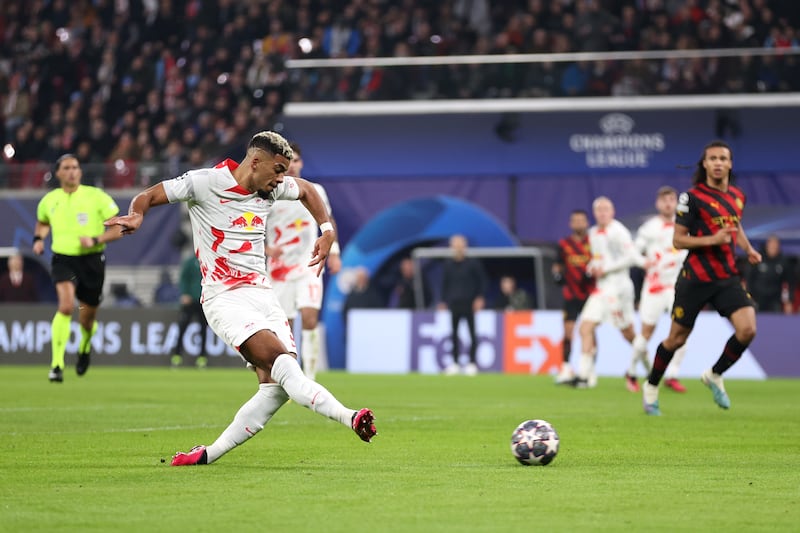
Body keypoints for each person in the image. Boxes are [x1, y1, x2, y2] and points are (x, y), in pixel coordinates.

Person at [106, 131, 376, 466]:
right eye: (278, 169)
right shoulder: (204, 183)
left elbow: (306, 190)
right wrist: (136, 214)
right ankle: (351, 417)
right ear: (256, 161)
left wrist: (327, 231)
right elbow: (150, 194)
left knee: (274, 388)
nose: (282, 179)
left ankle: (207, 454)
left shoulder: (273, 186)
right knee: (285, 366)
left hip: (264, 295)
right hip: (225, 298)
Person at [643, 140, 762, 416]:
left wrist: (748, 248)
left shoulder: (738, 196)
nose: (718, 163)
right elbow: (678, 240)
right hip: (695, 278)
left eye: (723, 158)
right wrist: (712, 239)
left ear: (730, 163)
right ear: (705, 164)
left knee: (748, 329)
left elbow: (734, 225)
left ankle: (714, 374)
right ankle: (651, 387)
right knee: (676, 339)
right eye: (713, 159)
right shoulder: (691, 198)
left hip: (726, 277)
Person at [32, 154, 124, 383]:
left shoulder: (96, 197)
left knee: (87, 319)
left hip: (91, 261)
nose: (72, 171)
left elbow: (118, 228)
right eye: (67, 168)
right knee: (65, 306)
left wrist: (95, 239)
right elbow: (43, 221)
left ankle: (84, 346)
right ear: (59, 173)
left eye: (76, 167)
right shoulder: (49, 200)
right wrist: (38, 239)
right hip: (63, 260)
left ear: (80, 172)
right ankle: (56, 365)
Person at [265, 142, 341, 379]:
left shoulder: (313, 189)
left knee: (309, 317)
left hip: (309, 262)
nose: (293, 165)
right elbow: (252, 225)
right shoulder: (270, 191)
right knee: (283, 325)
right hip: (279, 268)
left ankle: (310, 378)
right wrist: (266, 248)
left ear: (301, 163)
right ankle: (287, 377)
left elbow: (327, 220)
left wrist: (335, 251)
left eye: (296, 160)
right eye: (289, 161)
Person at [627, 186, 689, 394]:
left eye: (671, 199)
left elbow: (690, 250)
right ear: (658, 204)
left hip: (676, 287)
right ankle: (632, 371)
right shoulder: (649, 228)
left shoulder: (683, 225)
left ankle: (672, 374)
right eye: (664, 200)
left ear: (676, 203)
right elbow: (634, 253)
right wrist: (644, 262)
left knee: (681, 331)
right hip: (653, 288)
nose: (668, 203)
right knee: (646, 332)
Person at [572, 197, 639, 389]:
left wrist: (606, 268)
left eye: (606, 209)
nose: (602, 212)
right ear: (594, 213)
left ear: (613, 211)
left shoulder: (619, 232)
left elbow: (631, 258)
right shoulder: (593, 233)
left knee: (628, 334)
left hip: (619, 289)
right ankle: (584, 376)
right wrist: (592, 267)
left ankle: (650, 368)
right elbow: (597, 259)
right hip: (601, 289)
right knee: (585, 328)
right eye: (599, 209)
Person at [551, 210, 594, 384]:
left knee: (589, 332)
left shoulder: (593, 242)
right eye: (575, 221)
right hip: (570, 294)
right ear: (570, 224)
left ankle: (589, 370)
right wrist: (557, 275)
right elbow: (557, 265)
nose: (578, 224)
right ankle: (566, 368)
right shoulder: (563, 244)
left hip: (590, 294)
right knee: (568, 332)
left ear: (587, 223)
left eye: (581, 220)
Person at [438, 234, 487, 376]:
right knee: (454, 334)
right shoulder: (448, 264)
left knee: (472, 334)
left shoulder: (473, 263)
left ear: (465, 246)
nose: (458, 247)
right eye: (455, 245)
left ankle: (472, 363)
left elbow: (482, 282)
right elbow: (445, 284)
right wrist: (443, 301)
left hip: (469, 303)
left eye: (460, 244)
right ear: (452, 247)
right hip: (454, 303)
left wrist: (479, 297)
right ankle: (454, 363)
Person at [169, 254, 208, 368]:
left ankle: (202, 357)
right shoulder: (191, 262)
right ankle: (177, 355)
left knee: (203, 330)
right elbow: (183, 278)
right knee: (182, 328)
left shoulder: (209, 260)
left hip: (204, 301)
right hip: (190, 300)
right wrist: (185, 293)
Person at [746, 235, 793, 314]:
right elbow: (749, 277)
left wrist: (788, 300)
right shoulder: (758, 258)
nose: (773, 248)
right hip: (757, 297)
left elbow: (789, 282)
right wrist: (749, 295)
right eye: (772, 245)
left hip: (775, 299)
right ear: (767, 245)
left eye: (775, 246)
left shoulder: (783, 261)